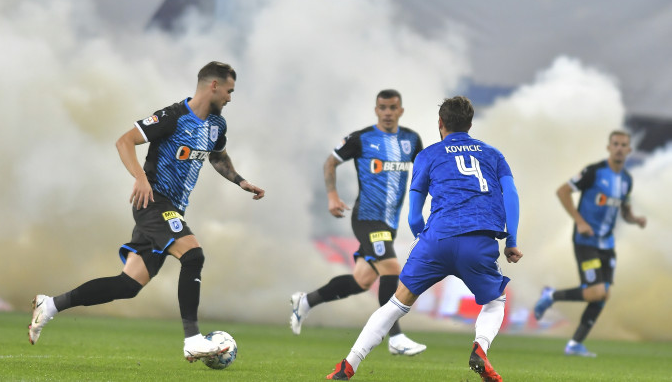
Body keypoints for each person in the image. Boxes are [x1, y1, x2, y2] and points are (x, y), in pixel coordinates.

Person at [27, 61, 265, 363]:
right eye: (229, 91)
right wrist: (140, 178)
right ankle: (192, 340)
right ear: (213, 86)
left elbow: (218, 157)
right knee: (193, 256)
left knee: (128, 285)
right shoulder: (173, 117)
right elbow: (124, 141)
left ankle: (50, 305)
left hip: (172, 209)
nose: (231, 98)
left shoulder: (217, 125)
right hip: (154, 202)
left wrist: (241, 181)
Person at [326, 96, 522, 382]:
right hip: (479, 242)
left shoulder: (428, 155)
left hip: (436, 240)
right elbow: (512, 196)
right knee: (495, 301)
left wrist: (426, 239)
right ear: (470, 124)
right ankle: (480, 347)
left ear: (440, 123)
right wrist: (512, 241)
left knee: (396, 304)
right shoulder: (493, 155)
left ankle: (348, 366)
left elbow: (414, 216)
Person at [289, 89, 426, 356]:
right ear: (376, 110)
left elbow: (426, 169)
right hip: (366, 218)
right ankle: (395, 337)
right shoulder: (362, 139)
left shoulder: (411, 139)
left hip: (389, 223)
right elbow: (330, 162)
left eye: (392, 107)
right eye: (382, 107)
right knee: (391, 270)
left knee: (362, 280)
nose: (387, 112)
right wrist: (332, 196)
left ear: (401, 110)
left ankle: (305, 301)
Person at [533, 130, 646, 357]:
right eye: (616, 144)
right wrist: (580, 221)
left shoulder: (627, 180)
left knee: (603, 295)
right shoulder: (593, 172)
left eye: (624, 145)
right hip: (586, 240)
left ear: (629, 150)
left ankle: (575, 344)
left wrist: (634, 219)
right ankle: (550, 296)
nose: (619, 148)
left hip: (607, 244)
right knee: (596, 292)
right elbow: (563, 191)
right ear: (609, 147)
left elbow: (624, 209)